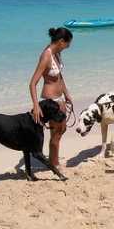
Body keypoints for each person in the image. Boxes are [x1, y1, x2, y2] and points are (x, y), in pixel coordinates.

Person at [29, 27, 73, 169]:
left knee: (62, 129)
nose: (68, 47)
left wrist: (66, 94)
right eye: (67, 44)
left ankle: (53, 159)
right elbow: (32, 83)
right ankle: (54, 164)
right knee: (55, 133)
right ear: (61, 41)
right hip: (51, 101)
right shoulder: (46, 56)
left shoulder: (57, 53)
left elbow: (59, 76)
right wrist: (36, 106)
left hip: (60, 98)